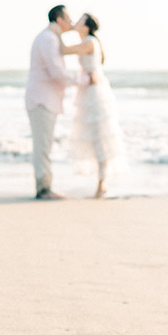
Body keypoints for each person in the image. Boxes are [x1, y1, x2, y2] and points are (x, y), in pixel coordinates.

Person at [60, 13, 125, 198]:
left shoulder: (88, 42)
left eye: (79, 21)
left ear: (87, 26)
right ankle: (101, 181)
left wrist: (62, 29)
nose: (75, 22)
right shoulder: (90, 41)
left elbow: (63, 50)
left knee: (99, 137)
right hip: (89, 89)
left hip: (94, 93)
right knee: (95, 136)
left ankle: (102, 183)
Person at [25, 5, 75, 200]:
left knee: (44, 144)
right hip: (42, 99)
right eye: (68, 18)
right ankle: (44, 189)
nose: (71, 22)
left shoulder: (50, 38)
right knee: (42, 145)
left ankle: (44, 186)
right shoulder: (48, 38)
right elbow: (57, 72)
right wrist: (82, 79)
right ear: (59, 20)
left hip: (45, 99)